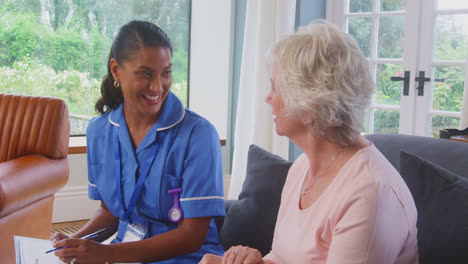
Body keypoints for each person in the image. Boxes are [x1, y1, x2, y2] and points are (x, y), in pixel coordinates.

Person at [200, 22, 418, 264]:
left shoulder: (370, 193)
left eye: (275, 88)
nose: (268, 98)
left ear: (309, 101)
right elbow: (283, 258)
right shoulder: (302, 168)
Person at [51, 20, 225, 264]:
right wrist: (74, 244)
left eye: (166, 73)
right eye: (145, 73)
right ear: (116, 70)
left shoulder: (199, 134)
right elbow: (111, 212)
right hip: (124, 254)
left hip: (187, 259)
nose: (157, 87)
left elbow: (191, 237)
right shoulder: (99, 131)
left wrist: (107, 254)